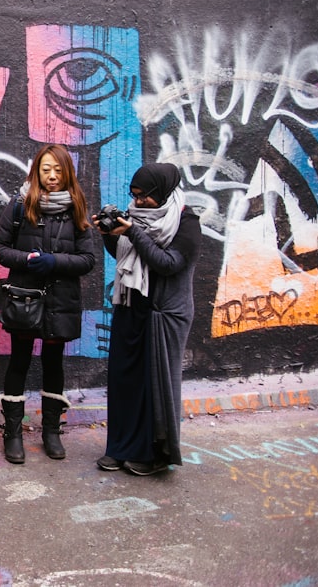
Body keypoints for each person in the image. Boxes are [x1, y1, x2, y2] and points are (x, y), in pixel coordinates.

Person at [0, 144, 95, 463]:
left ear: (67, 173)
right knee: (19, 362)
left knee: (54, 363)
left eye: (58, 170)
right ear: (36, 171)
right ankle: (13, 434)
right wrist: (27, 260)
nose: (51, 176)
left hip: (61, 300)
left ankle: (51, 432)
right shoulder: (20, 204)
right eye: (45, 169)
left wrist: (55, 262)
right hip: (25, 296)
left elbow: (88, 259)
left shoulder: (76, 207)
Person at [94, 163, 201, 476]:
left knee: (155, 384)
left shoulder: (186, 222)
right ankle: (120, 448)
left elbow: (167, 263)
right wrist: (108, 235)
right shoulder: (137, 219)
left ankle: (155, 453)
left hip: (164, 314)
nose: (138, 203)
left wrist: (131, 230)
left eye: (145, 197)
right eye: (134, 196)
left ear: (162, 192)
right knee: (124, 380)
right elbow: (126, 254)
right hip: (131, 305)